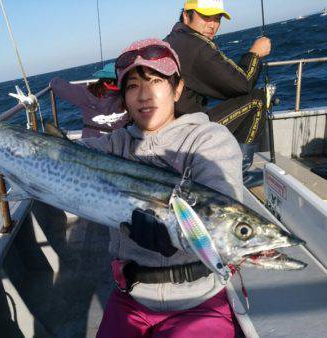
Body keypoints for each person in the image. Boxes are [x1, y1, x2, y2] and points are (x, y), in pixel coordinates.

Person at [80, 38, 243, 338]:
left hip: (198, 300)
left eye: (156, 81)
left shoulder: (208, 140)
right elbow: (60, 156)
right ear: (123, 98)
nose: (144, 95)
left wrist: (180, 234)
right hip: (130, 298)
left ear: (178, 88)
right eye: (132, 86)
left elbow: (223, 206)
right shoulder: (114, 145)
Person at [164, 0, 272, 173]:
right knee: (257, 100)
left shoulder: (173, 40)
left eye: (217, 18)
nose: (212, 25)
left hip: (172, 135)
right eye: (206, 17)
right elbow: (242, 84)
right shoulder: (197, 46)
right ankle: (239, 172)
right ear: (186, 15)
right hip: (187, 138)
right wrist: (255, 54)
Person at [50, 62, 129, 138]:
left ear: (102, 79)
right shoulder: (129, 95)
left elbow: (56, 84)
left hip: (91, 143)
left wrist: (54, 80)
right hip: (121, 141)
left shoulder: (86, 93)